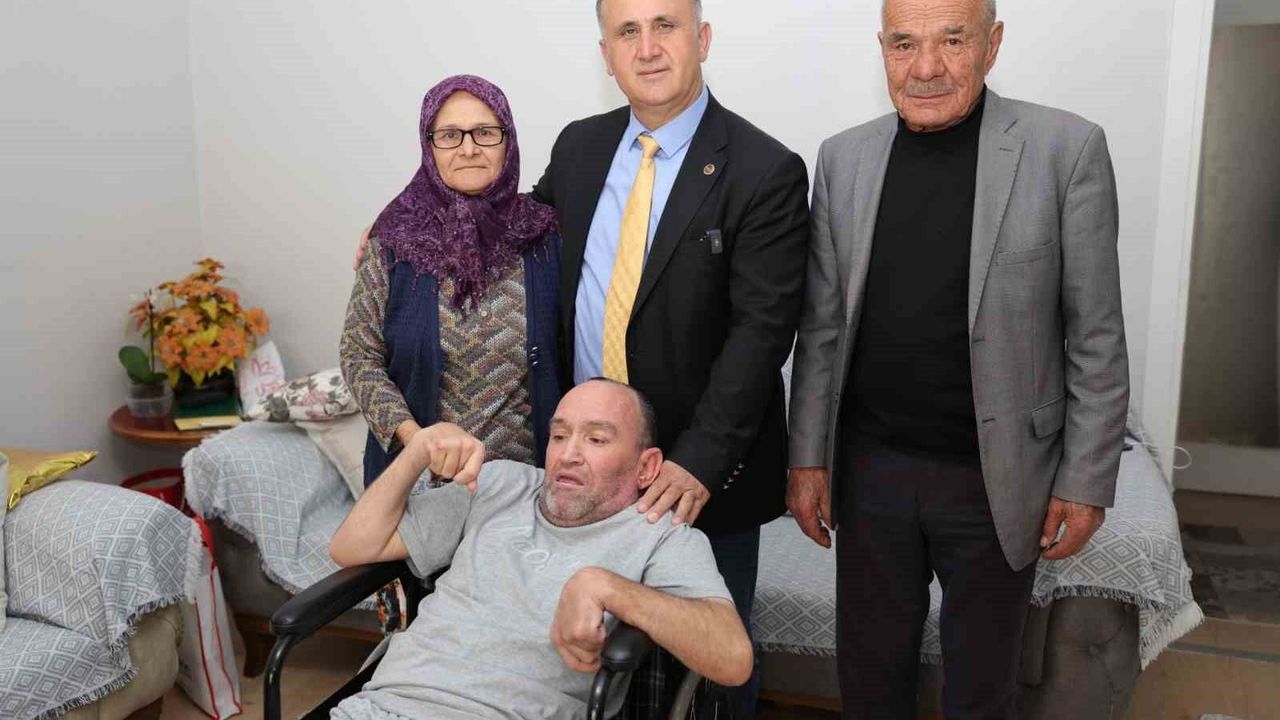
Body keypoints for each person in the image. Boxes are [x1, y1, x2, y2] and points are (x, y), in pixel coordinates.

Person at [787, 0, 1129, 717]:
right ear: (882, 47)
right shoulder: (842, 159)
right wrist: (808, 459)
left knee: (982, 691)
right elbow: (821, 329)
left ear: (992, 44)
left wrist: (1086, 480)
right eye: (904, 44)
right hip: (871, 474)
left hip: (997, 477)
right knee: (870, 685)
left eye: (952, 40)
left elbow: (1096, 336)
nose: (927, 68)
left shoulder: (1065, 150)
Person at [530, 1, 810, 714]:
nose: (648, 47)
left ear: (702, 38)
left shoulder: (765, 170)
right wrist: (403, 234)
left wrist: (698, 462)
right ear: (606, 54)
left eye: (666, 25)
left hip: (697, 480)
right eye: (628, 31)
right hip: (588, 469)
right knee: (585, 667)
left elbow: (761, 334)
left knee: (709, 680)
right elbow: (514, 239)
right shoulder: (579, 148)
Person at [328, 379, 752, 720]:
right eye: (559, 435)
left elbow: (733, 659)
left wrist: (603, 586)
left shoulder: (658, 535)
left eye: (596, 440)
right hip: (381, 705)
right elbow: (352, 546)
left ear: (647, 467)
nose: (568, 454)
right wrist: (416, 452)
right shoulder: (498, 484)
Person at [340, 75, 562, 488]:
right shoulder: (394, 241)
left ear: (508, 141)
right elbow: (358, 356)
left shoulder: (548, 235)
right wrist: (416, 441)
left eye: (485, 132)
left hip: (530, 491)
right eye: (449, 135)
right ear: (429, 146)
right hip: (418, 485)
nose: (468, 148)